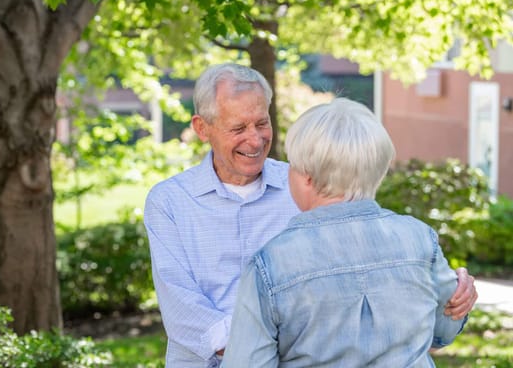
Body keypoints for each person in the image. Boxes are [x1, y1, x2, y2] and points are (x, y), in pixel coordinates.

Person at [143, 63, 476, 368]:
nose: (256, 139)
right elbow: (181, 306)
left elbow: (356, 283)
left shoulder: (310, 183)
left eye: (262, 122)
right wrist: (270, 339)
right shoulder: (169, 202)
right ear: (202, 128)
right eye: (238, 128)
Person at [222, 98, 467, 367]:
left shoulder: (270, 264)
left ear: (306, 177)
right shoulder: (420, 238)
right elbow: (444, 331)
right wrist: (461, 295)